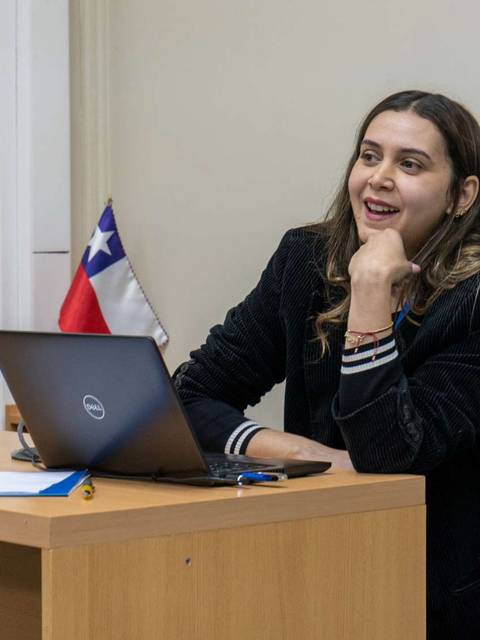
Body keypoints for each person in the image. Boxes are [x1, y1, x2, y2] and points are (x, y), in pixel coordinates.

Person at [173, 90, 480, 639]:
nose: (379, 177)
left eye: (409, 164)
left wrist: (368, 289)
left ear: (462, 195)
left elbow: (389, 454)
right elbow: (188, 396)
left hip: (437, 590)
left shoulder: (474, 300)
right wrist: (308, 455)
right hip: (314, 559)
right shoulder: (305, 259)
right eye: (369, 155)